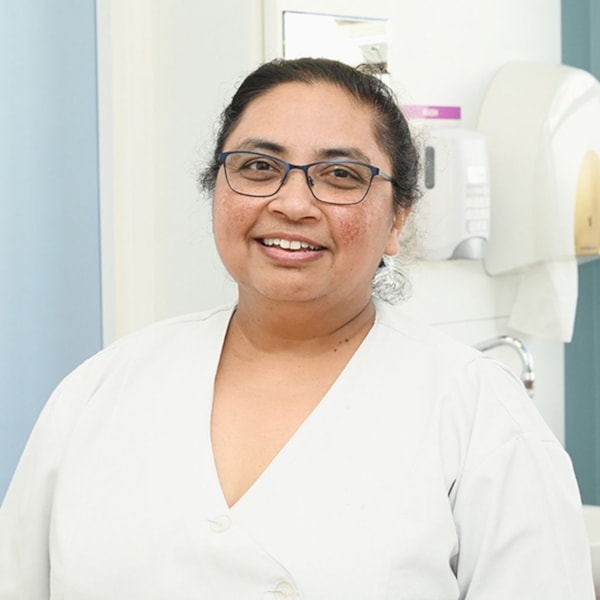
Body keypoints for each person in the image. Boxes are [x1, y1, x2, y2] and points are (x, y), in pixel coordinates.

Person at [0, 57, 594, 599]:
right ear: (216, 189)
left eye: (340, 175)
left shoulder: (481, 417)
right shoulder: (101, 390)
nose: (292, 203)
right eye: (259, 166)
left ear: (398, 220)